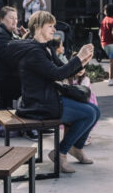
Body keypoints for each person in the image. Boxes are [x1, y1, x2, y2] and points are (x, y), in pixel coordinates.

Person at [6, 12, 98, 175]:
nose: (54, 29)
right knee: (89, 113)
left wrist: (82, 60)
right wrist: (79, 58)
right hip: (39, 104)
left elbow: (62, 70)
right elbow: (56, 74)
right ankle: (60, 153)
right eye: (50, 26)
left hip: (47, 98)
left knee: (95, 111)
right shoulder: (34, 52)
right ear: (38, 28)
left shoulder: (45, 48)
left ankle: (76, 148)